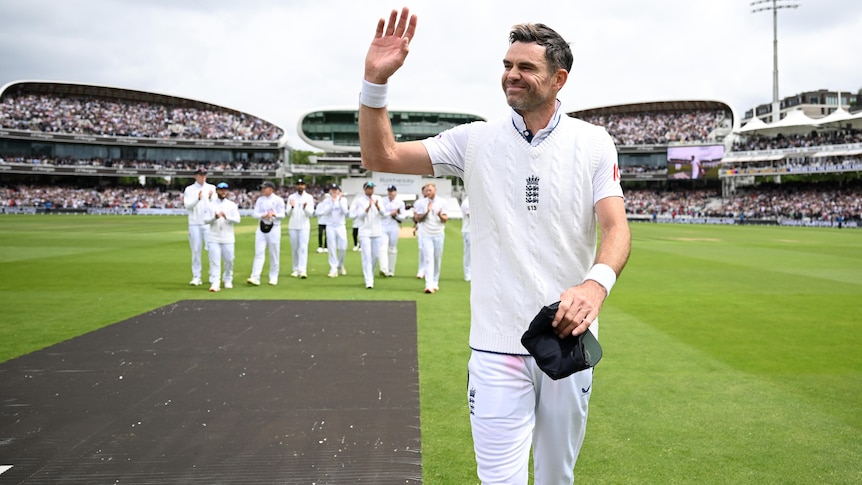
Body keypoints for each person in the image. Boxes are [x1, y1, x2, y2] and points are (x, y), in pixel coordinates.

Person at [358, 8, 631, 484]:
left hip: (564, 341)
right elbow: (381, 156)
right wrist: (374, 83)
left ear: (559, 79)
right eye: (507, 65)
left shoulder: (593, 143)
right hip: (494, 348)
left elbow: (616, 228)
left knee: (555, 479)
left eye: (526, 67)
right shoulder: (474, 140)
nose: (511, 75)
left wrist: (596, 285)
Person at [203, 182, 241, 292]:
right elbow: (205, 220)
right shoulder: (210, 205)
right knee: (215, 261)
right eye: (221, 190)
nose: (223, 192)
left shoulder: (231, 205)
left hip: (228, 237)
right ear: (217, 191)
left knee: (229, 260)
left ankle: (228, 278)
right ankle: (215, 283)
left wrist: (227, 217)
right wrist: (214, 218)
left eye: (225, 190)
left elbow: (237, 220)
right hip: (213, 237)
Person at [183, 166, 217, 286]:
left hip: (208, 223)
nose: (203, 177)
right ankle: (196, 276)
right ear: (195, 176)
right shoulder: (189, 189)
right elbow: (187, 206)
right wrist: (198, 199)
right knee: (196, 250)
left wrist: (211, 197)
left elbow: (215, 204)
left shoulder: (211, 188)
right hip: (194, 223)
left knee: (212, 250)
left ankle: (214, 275)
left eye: (204, 175)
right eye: (200, 175)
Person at [247, 181, 286, 286]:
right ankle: (255, 276)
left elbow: (283, 214)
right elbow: (255, 214)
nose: (263, 190)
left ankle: (273, 276)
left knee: (274, 253)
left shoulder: (278, 200)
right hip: (261, 226)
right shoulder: (260, 200)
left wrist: (274, 214)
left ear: (271, 189)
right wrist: (263, 215)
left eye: (265, 188)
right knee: (259, 252)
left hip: (274, 227)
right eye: (262, 188)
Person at [412, 182, 448, 293]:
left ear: (435, 190)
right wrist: (427, 212)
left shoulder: (442, 202)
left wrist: (439, 215)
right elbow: (417, 218)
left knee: (437, 258)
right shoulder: (420, 203)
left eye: (430, 190)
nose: (428, 192)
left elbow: (445, 219)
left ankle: (435, 281)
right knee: (428, 258)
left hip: (438, 234)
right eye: (427, 190)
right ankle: (428, 284)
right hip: (426, 234)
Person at [350, 181, 384, 289]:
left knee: (376, 256)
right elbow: (358, 216)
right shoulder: (359, 201)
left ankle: (370, 275)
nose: (371, 190)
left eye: (372, 188)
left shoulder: (378, 198)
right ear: (365, 189)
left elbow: (384, 213)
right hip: (365, 231)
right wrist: (368, 207)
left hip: (377, 231)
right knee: (366, 256)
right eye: (369, 188)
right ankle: (368, 280)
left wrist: (378, 206)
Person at [315, 183, 349, 277]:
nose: (334, 191)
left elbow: (345, 212)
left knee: (343, 247)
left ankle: (340, 264)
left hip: (340, 225)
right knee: (331, 247)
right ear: (330, 191)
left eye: (336, 189)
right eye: (332, 189)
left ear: (338, 191)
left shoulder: (343, 200)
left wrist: (339, 201)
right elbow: (325, 212)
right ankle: (333, 268)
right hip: (330, 226)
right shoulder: (327, 201)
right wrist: (333, 203)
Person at [286, 178, 315, 278]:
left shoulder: (309, 197)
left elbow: (310, 213)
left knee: (303, 248)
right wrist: (292, 207)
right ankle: (295, 269)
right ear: (296, 186)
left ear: (305, 186)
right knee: (294, 248)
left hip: (304, 226)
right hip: (293, 226)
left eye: (302, 184)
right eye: (298, 184)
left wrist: (305, 207)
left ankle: (302, 270)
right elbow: (287, 213)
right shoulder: (291, 197)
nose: (300, 186)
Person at [379, 184, 407, 276]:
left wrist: (396, 215)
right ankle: (384, 268)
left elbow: (403, 217)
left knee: (392, 248)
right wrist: (391, 213)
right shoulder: (382, 201)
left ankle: (391, 270)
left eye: (392, 191)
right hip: (383, 226)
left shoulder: (400, 202)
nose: (391, 193)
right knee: (383, 247)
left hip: (393, 227)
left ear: (395, 192)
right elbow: (381, 213)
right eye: (389, 191)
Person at [460, 195, 471, 282]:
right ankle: (467, 274)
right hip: (468, 231)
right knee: (468, 254)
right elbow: (470, 215)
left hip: (474, 231)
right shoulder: (466, 203)